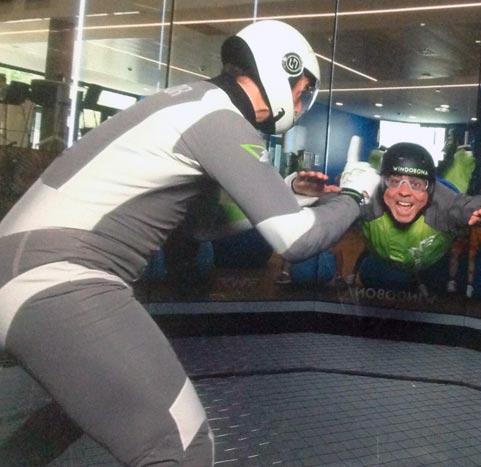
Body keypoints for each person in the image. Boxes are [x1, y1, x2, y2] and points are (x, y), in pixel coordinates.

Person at [0, 20, 378, 466]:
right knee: (182, 446)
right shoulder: (220, 118)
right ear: (284, 69)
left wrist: (285, 194)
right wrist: (355, 195)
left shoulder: (189, 103)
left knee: (78, 413)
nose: (301, 104)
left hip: (23, 273)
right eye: (303, 91)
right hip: (60, 278)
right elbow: (296, 239)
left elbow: (200, 227)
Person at [352, 142, 481, 295]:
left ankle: (463, 158)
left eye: (416, 184)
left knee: (457, 183)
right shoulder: (370, 198)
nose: (405, 192)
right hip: (389, 259)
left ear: (429, 188)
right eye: (395, 181)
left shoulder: (445, 205)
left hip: (435, 243)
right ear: (383, 183)